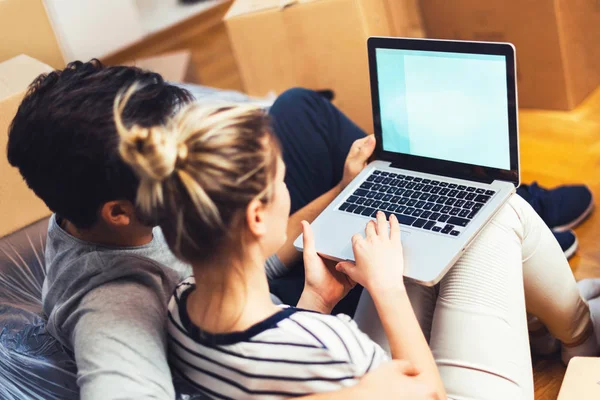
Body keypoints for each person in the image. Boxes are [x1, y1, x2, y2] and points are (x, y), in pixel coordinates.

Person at [6, 59, 599, 399]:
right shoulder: (118, 304)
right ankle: (575, 332)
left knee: (316, 126)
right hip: (346, 362)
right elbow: (421, 389)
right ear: (123, 209)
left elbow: (251, 305)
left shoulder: (183, 289)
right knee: (490, 218)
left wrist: (345, 199)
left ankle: (559, 325)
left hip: (287, 329)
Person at [113, 91, 446, 398]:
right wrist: (387, 286)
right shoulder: (332, 346)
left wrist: (315, 300)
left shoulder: (180, 308)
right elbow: (429, 393)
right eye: (280, 180)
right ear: (256, 216)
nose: (287, 191)